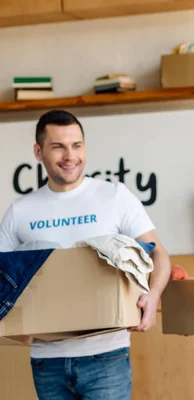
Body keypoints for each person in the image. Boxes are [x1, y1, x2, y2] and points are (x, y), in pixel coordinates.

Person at [0, 109, 171, 400]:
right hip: (46, 360)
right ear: (38, 151)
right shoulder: (20, 212)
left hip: (105, 356)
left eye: (77, 145)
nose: (70, 156)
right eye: (58, 147)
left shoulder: (114, 196)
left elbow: (160, 255)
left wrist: (153, 296)